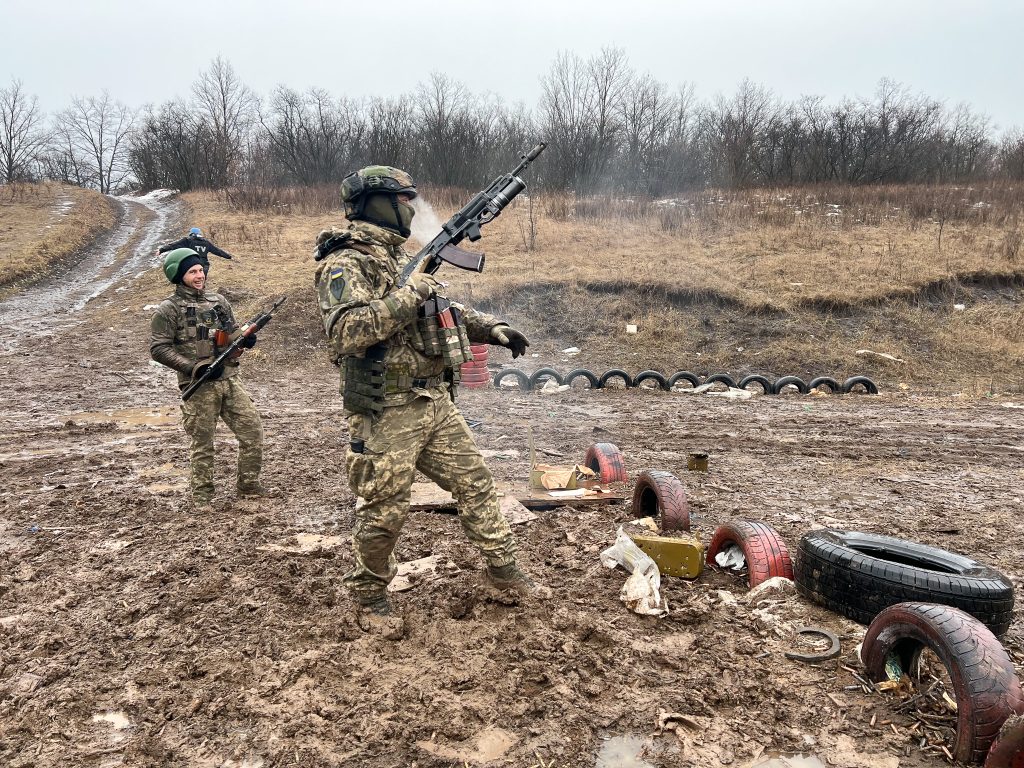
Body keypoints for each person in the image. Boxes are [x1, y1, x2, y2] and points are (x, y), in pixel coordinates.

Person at [313, 165, 547, 617]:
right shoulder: (345, 263)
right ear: (377, 203)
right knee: (386, 508)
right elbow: (346, 331)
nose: (410, 207)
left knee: (476, 483)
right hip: (387, 408)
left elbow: (441, 310)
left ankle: (504, 569)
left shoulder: (394, 259)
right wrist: (411, 292)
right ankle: (368, 595)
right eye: (403, 200)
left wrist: (491, 328)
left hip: (434, 402)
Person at [150, 247, 264, 511]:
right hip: (198, 386)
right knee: (203, 443)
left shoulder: (218, 301)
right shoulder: (168, 310)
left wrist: (245, 339)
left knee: (252, 431)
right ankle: (203, 497)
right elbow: (158, 349)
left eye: (201, 270)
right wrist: (192, 368)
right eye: (192, 271)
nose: (199, 275)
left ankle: (248, 485)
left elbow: (232, 332)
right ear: (179, 275)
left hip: (229, 379)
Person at [156, 227, 234, 269]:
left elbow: (173, 245)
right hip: (204, 265)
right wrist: (228, 256)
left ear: (191, 233)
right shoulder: (206, 242)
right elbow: (217, 251)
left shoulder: (187, 240)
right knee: (201, 283)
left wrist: (161, 250)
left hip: (191, 265)